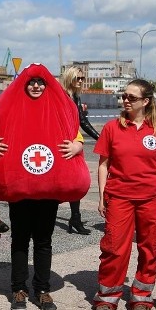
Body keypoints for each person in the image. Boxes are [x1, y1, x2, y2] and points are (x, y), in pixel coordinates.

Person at [0, 64, 88, 310]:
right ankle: (18, 289)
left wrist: (77, 146)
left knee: (43, 241)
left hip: (47, 187)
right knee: (19, 240)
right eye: (32, 82)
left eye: (41, 82)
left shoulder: (60, 106)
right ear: (24, 84)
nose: (36, 86)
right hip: (20, 186)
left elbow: (74, 132)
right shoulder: (11, 107)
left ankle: (42, 289)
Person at [93, 79, 156, 310]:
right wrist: (102, 196)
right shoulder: (112, 128)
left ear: (146, 101)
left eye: (131, 97)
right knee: (115, 248)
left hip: (151, 198)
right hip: (119, 197)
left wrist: (145, 178)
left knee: (150, 247)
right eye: (124, 96)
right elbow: (103, 164)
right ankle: (107, 297)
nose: (125, 100)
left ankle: (141, 298)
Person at [59, 67, 99, 235]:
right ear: (70, 78)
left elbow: (82, 121)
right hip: (60, 144)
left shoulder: (75, 96)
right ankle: (42, 218)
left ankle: (75, 218)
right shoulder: (60, 95)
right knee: (57, 182)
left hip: (73, 143)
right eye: (78, 78)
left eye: (83, 78)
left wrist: (101, 138)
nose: (81, 81)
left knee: (74, 181)